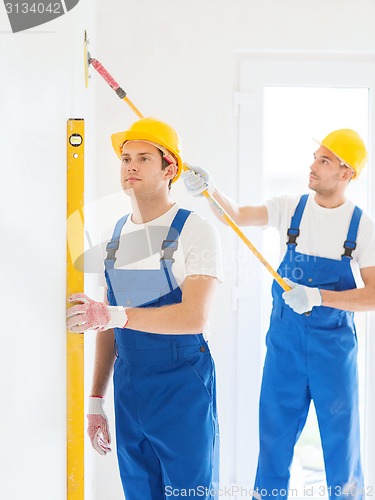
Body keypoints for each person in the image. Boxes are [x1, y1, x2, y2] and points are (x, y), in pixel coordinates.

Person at [182, 128, 375, 500]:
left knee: (341, 442)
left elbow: (373, 296)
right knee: (274, 438)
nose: (313, 166)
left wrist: (320, 296)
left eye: (324, 160)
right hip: (284, 347)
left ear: (346, 173)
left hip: (333, 352)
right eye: (315, 157)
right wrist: (209, 189)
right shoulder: (292, 209)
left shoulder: (362, 228)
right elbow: (234, 216)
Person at [67, 117, 222, 500]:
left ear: (170, 168)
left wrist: (113, 315)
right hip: (130, 384)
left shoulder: (194, 230)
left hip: (182, 382)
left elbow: (194, 317)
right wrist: (95, 400)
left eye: (143, 158)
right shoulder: (113, 236)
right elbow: (108, 327)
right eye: (125, 158)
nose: (130, 166)